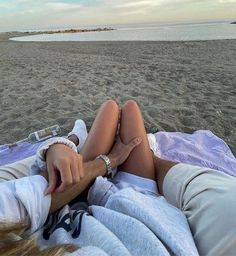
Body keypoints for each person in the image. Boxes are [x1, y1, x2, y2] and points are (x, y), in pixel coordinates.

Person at [0, 100, 235, 255]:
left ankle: (74, 138)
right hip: (141, 206)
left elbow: (28, 194)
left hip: (70, 199)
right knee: (128, 109)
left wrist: (102, 159)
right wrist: (113, 160)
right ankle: (83, 142)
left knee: (111, 109)